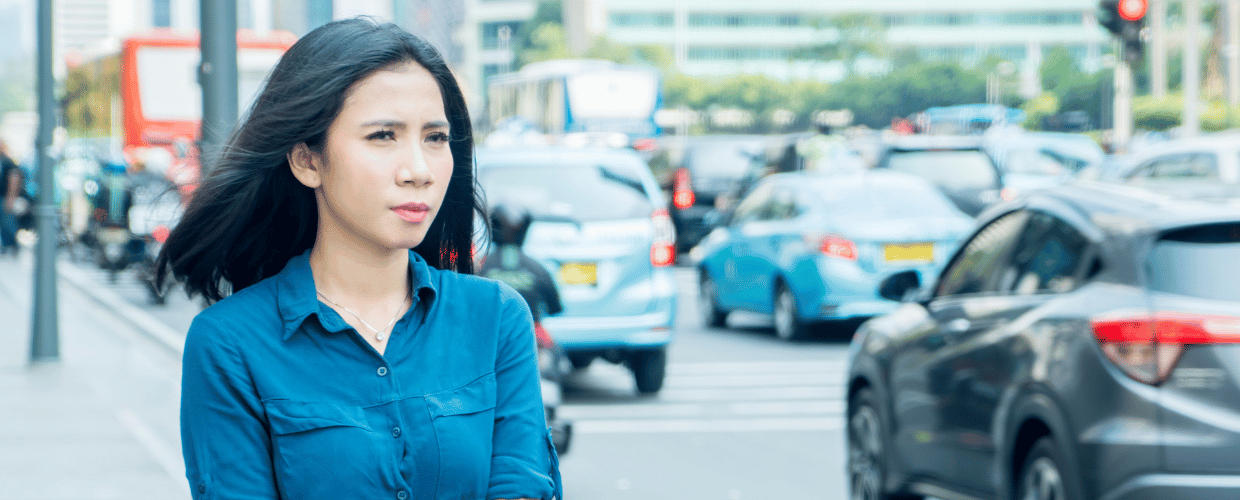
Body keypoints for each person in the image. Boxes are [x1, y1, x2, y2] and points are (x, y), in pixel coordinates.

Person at [155, 18, 561, 500]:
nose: (419, 170)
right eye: (383, 136)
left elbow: (521, 487)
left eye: (435, 138)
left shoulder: (495, 318)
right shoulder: (229, 344)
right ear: (307, 160)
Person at [479, 204, 563, 324]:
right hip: (530, 330)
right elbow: (555, 309)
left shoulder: (478, 266)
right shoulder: (537, 268)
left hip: (489, 331)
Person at [0, 140, 26, 256]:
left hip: (5, 198)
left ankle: (12, 244)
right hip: (3, 197)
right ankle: (6, 244)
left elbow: (15, 178)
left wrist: (11, 197)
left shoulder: (8, 162)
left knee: (8, 221)